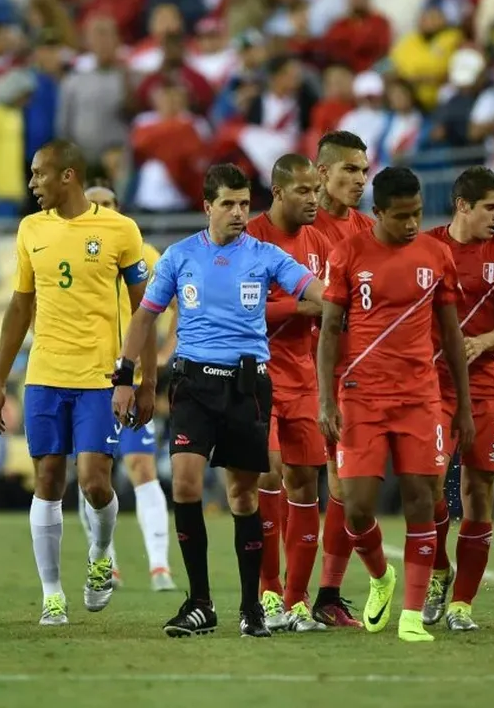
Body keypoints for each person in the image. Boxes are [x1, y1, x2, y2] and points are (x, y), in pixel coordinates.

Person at [111, 163, 330, 639]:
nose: (238, 213)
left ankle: (252, 608)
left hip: (247, 387)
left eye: (244, 204)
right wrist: (127, 377)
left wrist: (347, 298)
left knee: (243, 495)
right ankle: (199, 603)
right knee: (185, 484)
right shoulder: (179, 256)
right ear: (207, 206)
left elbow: (319, 292)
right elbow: (144, 317)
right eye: (228, 204)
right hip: (193, 385)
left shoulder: (266, 255)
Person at [0, 140, 157, 626]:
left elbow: (145, 310)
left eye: (39, 173)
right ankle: (52, 593)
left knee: (95, 483)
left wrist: (144, 381)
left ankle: (101, 553)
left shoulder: (120, 229)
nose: (32, 183)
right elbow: (20, 307)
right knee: (47, 480)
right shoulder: (30, 229)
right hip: (44, 376)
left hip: (100, 378)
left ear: (68, 176)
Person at [317, 166, 475, 644]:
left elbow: (451, 334)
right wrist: (325, 398)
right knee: (357, 508)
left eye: (418, 214)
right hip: (361, 396)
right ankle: (381, 576)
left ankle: (411, 616)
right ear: (378, 212)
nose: (411, 224)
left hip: (420, 398)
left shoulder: (437, 255)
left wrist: (463, 405)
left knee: (421, 499)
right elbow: (329, 330)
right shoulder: (348, 254)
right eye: (402, 216)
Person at [421, 167, 494, 631]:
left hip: (488, 385)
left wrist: (482, 343)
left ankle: (462, 605)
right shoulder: (426, 247)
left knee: (478, 491)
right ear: (462, 205)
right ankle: (438, 571)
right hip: (434, 384)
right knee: (427, 485)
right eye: (490, 207)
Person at [74, 181, 176, 593]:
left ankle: (159, 567)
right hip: (84, 379)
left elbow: (178, 303)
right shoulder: (72, 253)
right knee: (91, 475)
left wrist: (166, 351)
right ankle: (107, 563)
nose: (101, 210)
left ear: (119, 207)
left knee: (141, 466)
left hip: (129, 380)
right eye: (93, 204)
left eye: (108, 203)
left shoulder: (144, 255)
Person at [245, 154, 329, 633]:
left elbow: (331, 305)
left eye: (316, 190)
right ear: (278, 192)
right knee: (268, 473)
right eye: (303, 191)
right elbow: (240, 306)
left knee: (305, 483)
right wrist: (298, 308)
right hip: (257, 376)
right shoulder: (250, 237)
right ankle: (269, 592)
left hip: (304, 377)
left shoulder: (319, 243)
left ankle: (298, 601)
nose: (313, 199)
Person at [308, 130, 374, 626]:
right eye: (349, 169)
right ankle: (277, 595)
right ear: (322, 171)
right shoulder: (300, 227)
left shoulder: (371, 231)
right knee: (280, 479)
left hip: (352, 374)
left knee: (344, 486)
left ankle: (327, 594)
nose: (360, 179)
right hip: (295, 368)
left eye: (364, 170)